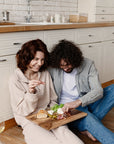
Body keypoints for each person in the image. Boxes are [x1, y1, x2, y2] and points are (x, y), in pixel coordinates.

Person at [9, 39, 84, 144]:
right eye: (36, 59)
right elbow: (22, 111)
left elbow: (52, 99)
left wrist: (56, 113)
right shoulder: (15, 79)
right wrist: (31, 93)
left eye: (42, 59)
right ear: (26, 57)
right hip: (29, 120)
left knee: (70, 137)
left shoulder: (44, 74)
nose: (40, 63)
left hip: (49, 114)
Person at [49, 39, 114, 144]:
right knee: (88, 118)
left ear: (75, 60)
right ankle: (88, 125)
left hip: (85, 102)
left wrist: (77, 102)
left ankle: (86, 126)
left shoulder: (88, 64)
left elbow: (98, 91)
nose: (65, 68)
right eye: (62, 66)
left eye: (68, 65)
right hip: (67, 111)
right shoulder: (53, 68)